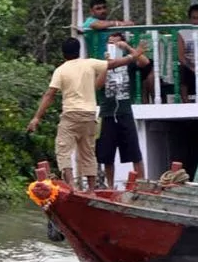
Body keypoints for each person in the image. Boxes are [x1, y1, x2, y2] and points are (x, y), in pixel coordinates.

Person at [27, 37, 147, 188]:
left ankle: (71, 185)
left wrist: (37, 117)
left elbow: (49, 95)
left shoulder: (60, 70)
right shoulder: (90, 63)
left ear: (63, 54)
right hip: (90, 116)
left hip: (71, 115)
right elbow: (113, 65)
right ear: (79, 51)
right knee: (88, 153)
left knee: (62, 150)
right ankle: (91, 190)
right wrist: (134, 55)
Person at [96, 32, 151, 183]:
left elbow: (145, 62)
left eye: (116, 43)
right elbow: (97, 85)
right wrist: (107, 65)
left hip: (125, 112)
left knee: (134, 152)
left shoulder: (129, 63)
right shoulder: (100, 63)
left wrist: (127, 48)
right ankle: (111, 186)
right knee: (107, 155)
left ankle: (140, 183)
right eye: (110, 43)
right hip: (107, 113)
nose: (112, 46)